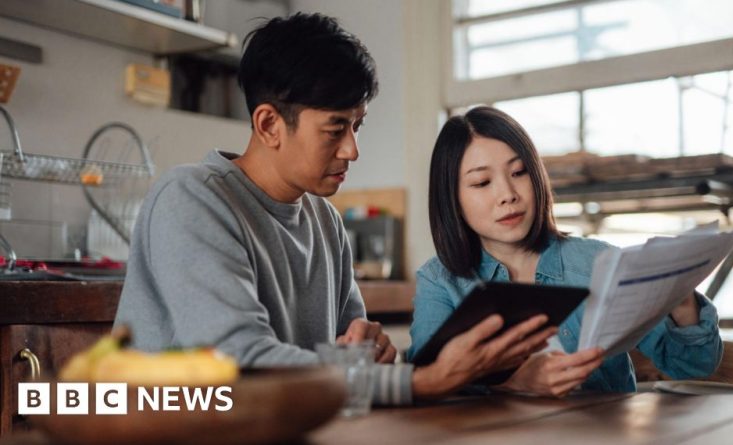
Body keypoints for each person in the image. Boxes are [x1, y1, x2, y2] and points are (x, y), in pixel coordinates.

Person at [114, 13, 554, 405]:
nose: (353, 150)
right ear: (269, 124)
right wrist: (420, 382)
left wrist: (371, 350)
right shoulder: (191, 198)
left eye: (357, 125)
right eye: (336, 128)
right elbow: (239, 363)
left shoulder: (324, 221)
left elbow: (352, 349)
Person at [407, 106, 723, 397]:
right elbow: (427, 385)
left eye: (519, 173)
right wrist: (514, 383)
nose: (508, 195)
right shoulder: (440, 281)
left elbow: (693, 367)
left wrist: (682, 302)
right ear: (452, 199)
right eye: (482, 182)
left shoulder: (599, 263)